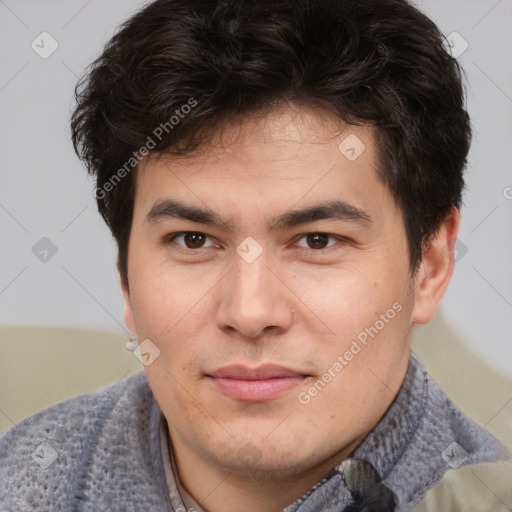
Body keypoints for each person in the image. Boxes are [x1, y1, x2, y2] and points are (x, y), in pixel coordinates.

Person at [0, 0, 508, 510]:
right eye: (192, 240)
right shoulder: (22, 481)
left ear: (431, 267)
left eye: (317, 240)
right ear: (125, 276)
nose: (249, 312)